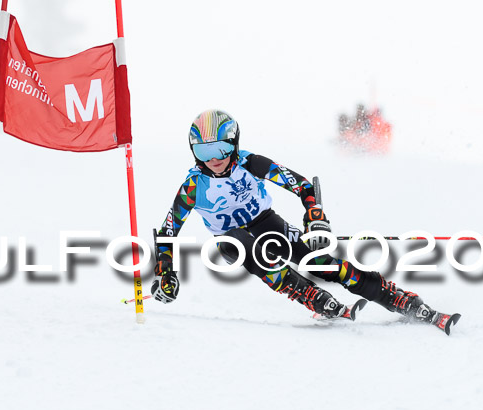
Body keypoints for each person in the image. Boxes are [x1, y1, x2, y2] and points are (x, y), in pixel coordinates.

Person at [151, 109, 460, 334]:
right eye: (204, 151)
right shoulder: (193, 187)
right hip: (231, 238)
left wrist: (315, 218)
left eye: (221, 148)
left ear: (234, 145)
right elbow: (168, 232)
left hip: (266, 222)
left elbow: (303, 186)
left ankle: (397, 298)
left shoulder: (250, 163)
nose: (213, 158)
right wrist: (166, 273)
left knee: (322, 263)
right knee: (246, 246)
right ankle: (311, 297)